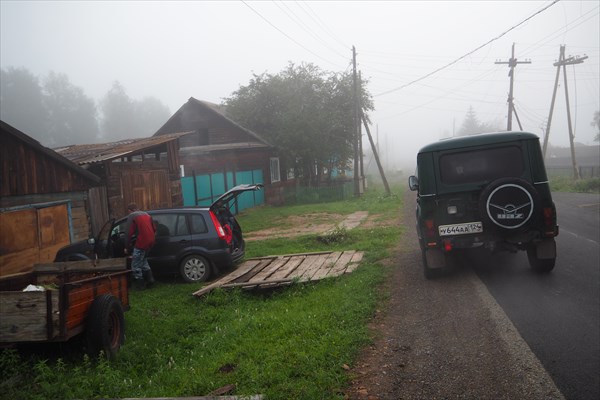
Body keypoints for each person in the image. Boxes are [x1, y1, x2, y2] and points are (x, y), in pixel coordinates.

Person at [125, 203, 156, 290]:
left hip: (142, 242)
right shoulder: (147, 214)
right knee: (143, 260)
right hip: (151, 241)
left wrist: (126, 247)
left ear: (130, 211)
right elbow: (154, 229)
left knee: (135, 265)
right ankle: (150, 280)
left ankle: (141, 285)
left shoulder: (132, 216)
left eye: (128, 212)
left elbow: (128, 233)